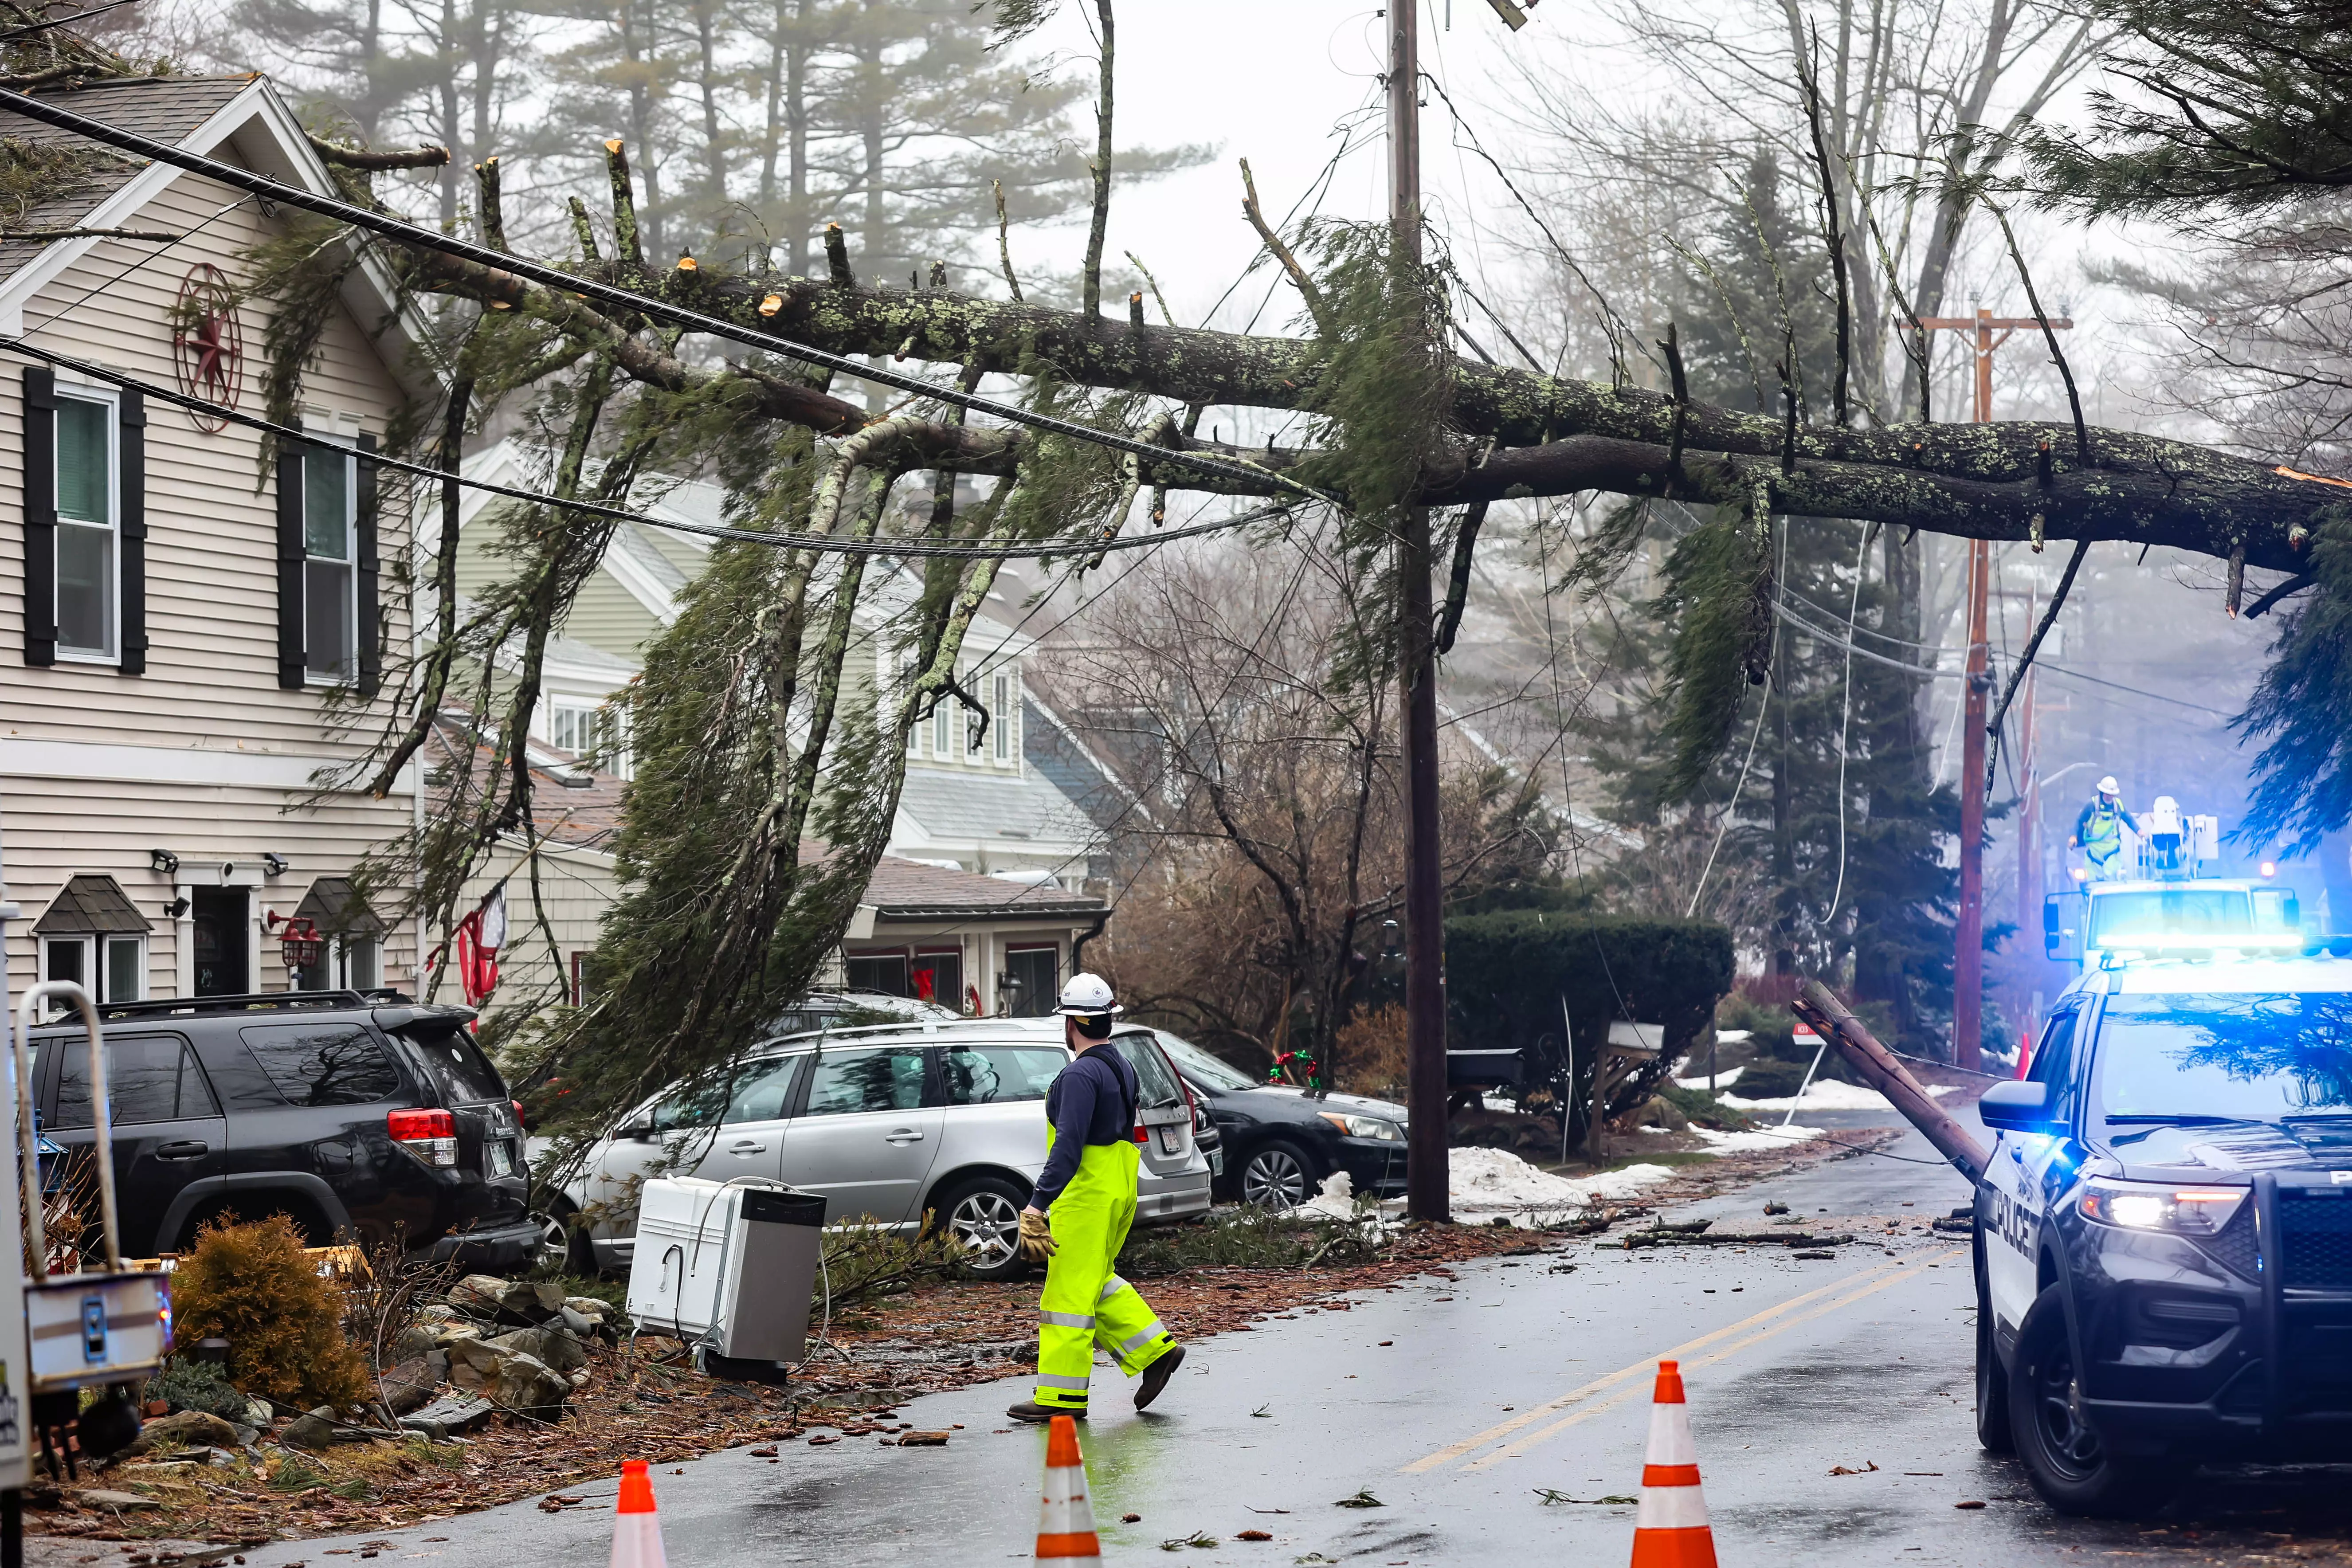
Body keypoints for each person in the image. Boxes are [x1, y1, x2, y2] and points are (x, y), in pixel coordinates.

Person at [1005, 973, 1185, 1423]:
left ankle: (1060, 1397)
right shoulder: (1122, 1065)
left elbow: (1068, 1147)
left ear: (1071, 1024)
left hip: (1084, 1197)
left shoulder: (1081, 1073)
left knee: (1066, 1295)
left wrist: (1035, 1205)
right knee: (1095, 1280)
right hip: (1117, 1189)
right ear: (1107, 1019)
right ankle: (1156, 1352)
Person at [2073, 776, 2140, 882]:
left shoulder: (2118, 806)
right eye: (2108, 794)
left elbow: (2129, 819)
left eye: (2112, 795)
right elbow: (2079, 821)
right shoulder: (2091, 805)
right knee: (2093, 883)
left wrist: (2139, 832)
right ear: (2102, 792)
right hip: (2094, 851)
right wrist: (2074, 836)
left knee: (2111, 880)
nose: (2110, 797)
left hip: (2112, 851)